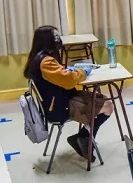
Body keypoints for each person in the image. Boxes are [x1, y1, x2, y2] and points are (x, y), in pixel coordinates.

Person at [23, 25, 113, 161]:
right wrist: (83, 71)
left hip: (58, 101)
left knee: (103, 100)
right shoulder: (46, 62)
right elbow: (69, 81)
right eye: (56, 38)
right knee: (108, 106)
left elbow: (60, 76)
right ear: (46, 40)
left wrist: (69, 70)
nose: (59, 41)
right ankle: (83, 137)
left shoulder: (38, 58)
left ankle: (84, 137)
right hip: (60, 108)